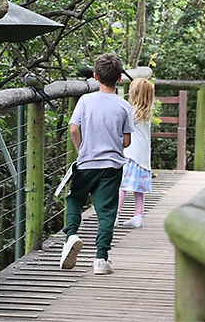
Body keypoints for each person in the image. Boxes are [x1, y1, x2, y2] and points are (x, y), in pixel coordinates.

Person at [62, 53, 133, 275]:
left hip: (86, 163)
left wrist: (81, 150)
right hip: (111, 167)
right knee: (106, 211)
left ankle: (71, 235)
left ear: (94, 76)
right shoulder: (123, 106)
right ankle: (101, 258)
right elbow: (127, 141)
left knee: (74, 199)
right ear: (119, 79)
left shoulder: (85, 100)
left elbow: (73, 129)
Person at [116, 78, 154, 229]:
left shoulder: (131, 113)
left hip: (130, 155)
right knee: (139, 189)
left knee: (121, 185)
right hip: (143, 157)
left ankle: (115, 215)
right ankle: (138, 216)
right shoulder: (146, 114)